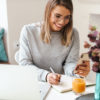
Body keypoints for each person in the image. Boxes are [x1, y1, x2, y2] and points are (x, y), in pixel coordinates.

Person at [15, 0, 90, 85]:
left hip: (59, 84)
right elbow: (25, 64)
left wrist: (76, 71)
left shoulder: (73, 33)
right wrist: (46, 76)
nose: (62, 22)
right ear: (48, 13)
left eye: (67, 17)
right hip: (34, 83)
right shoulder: (28, 31)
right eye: (58, 16)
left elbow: (70, 62)